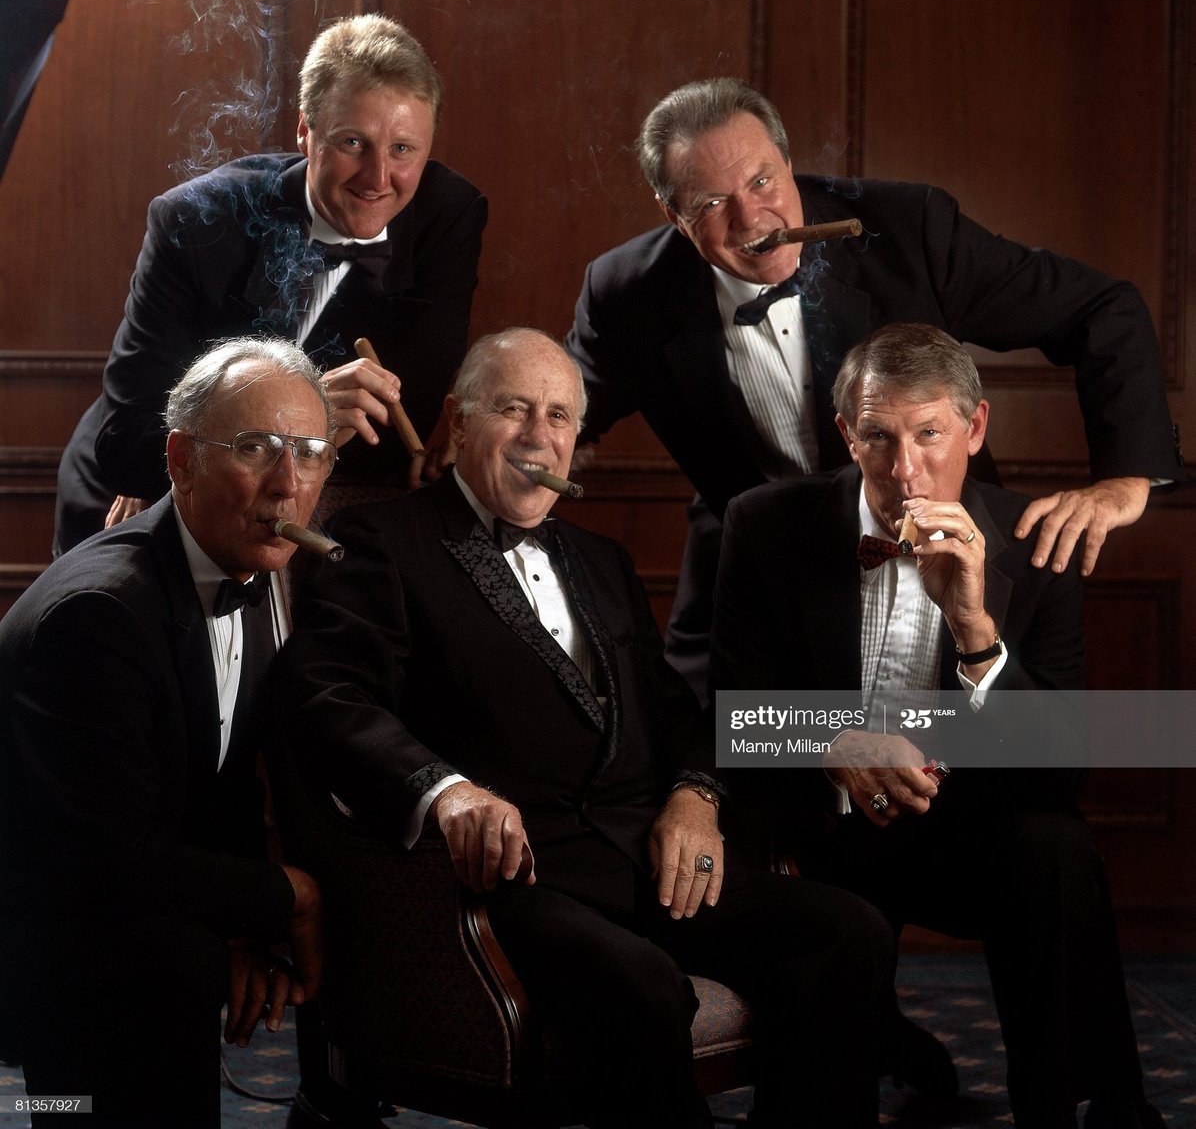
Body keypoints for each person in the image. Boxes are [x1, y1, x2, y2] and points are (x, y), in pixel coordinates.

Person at [277, 327, 894, 1128]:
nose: (541, 435)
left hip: (648, 863)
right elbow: (333, 699)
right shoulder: (379, 543)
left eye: (561, 417)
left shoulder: (602, 558)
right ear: (459, 422)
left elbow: (675, 711)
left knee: (848, 932)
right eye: (515, 409)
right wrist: (449, 792)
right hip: (514, 884)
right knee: (639, 984)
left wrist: (696, 797)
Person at [565, 77, 1182, 697]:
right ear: (673, 214)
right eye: (710, 204)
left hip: (942, 542)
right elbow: (562, 413)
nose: (752, 220)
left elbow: (1103, 308)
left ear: (788, 161)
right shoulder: (626, 293)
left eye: (761, 181)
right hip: (758, 572)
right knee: (728, 755)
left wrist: (1126, 479)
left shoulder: (906, 228)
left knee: (992, 756)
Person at [710, 323, 1162, 1129]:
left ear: (975, 428)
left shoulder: (1032, 541)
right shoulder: (764, 524)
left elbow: (1061, 773)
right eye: (878, 436)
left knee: (1056, 848)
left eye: (929, 435)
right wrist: (828, 740)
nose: (904, 469)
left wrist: (975, 630)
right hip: (821, 832)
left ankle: (1072, 1109)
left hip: (967, 836)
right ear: (847, 433)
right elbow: (730, 718)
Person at [0, 337, 332, 1127]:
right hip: (54, 943)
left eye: (311, 454)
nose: (289, 485)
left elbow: (210, 791)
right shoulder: (102, 614)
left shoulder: (240, 565)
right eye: (254, 449)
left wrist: (247, 929)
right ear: (179, 459)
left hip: (133, 913)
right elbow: (107, 858)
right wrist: (288, 896)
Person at [53, 12, 488, 555]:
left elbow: (408, 428)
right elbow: (126, 443)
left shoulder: (449, 213)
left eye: (404, 149)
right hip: (146, 487)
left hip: (298, 487)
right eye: (353, 142)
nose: (379, 179)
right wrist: (307, 417)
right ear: (304, 130)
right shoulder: (196, 219)